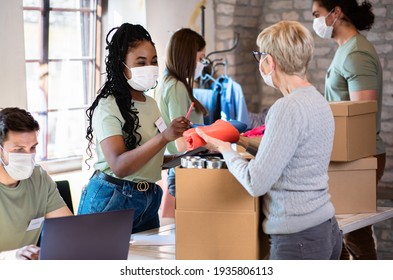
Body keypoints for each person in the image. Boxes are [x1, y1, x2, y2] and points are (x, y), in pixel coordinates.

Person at [196, 20, 342, 260]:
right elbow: (292, 155)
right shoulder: (317, 100)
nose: (260, 63)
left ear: (270, 61)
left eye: (260, 56)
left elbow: (256, 182)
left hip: (298, 240)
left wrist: (225, 150)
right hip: (326, 228)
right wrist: (242, 141)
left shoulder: (286, 108)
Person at [77, 23, 190, 233]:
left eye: (153, 61)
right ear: (121, 65)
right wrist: (165, 137)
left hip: (148, 198)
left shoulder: (151, 103)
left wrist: (190, 156)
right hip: (112, 198)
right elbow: (119, 165)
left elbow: (150, 158)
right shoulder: (108, 105)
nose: (149, 67)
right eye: (140, 63)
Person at [311, 0, 385, 260]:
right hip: (345, 156)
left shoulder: (356, 53)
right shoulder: (345, 49)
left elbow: (361, 118)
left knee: (354, 233)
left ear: (336, 12)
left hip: (359, 156)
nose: (315, 21)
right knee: (338, 230)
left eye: (317, 15)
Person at [0, 107, 73, 260]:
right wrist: (12, 257)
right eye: (19, 149)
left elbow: (69, 229)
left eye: (32, 147)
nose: (28, 156)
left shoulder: (38, 176)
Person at [155, 28, 208, 197]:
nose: (201, 64)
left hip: (178, 166)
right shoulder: (176, 87)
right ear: (188, 55)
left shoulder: (165, 81)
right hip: (183, 166)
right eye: (200, 58)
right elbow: (181, 143)